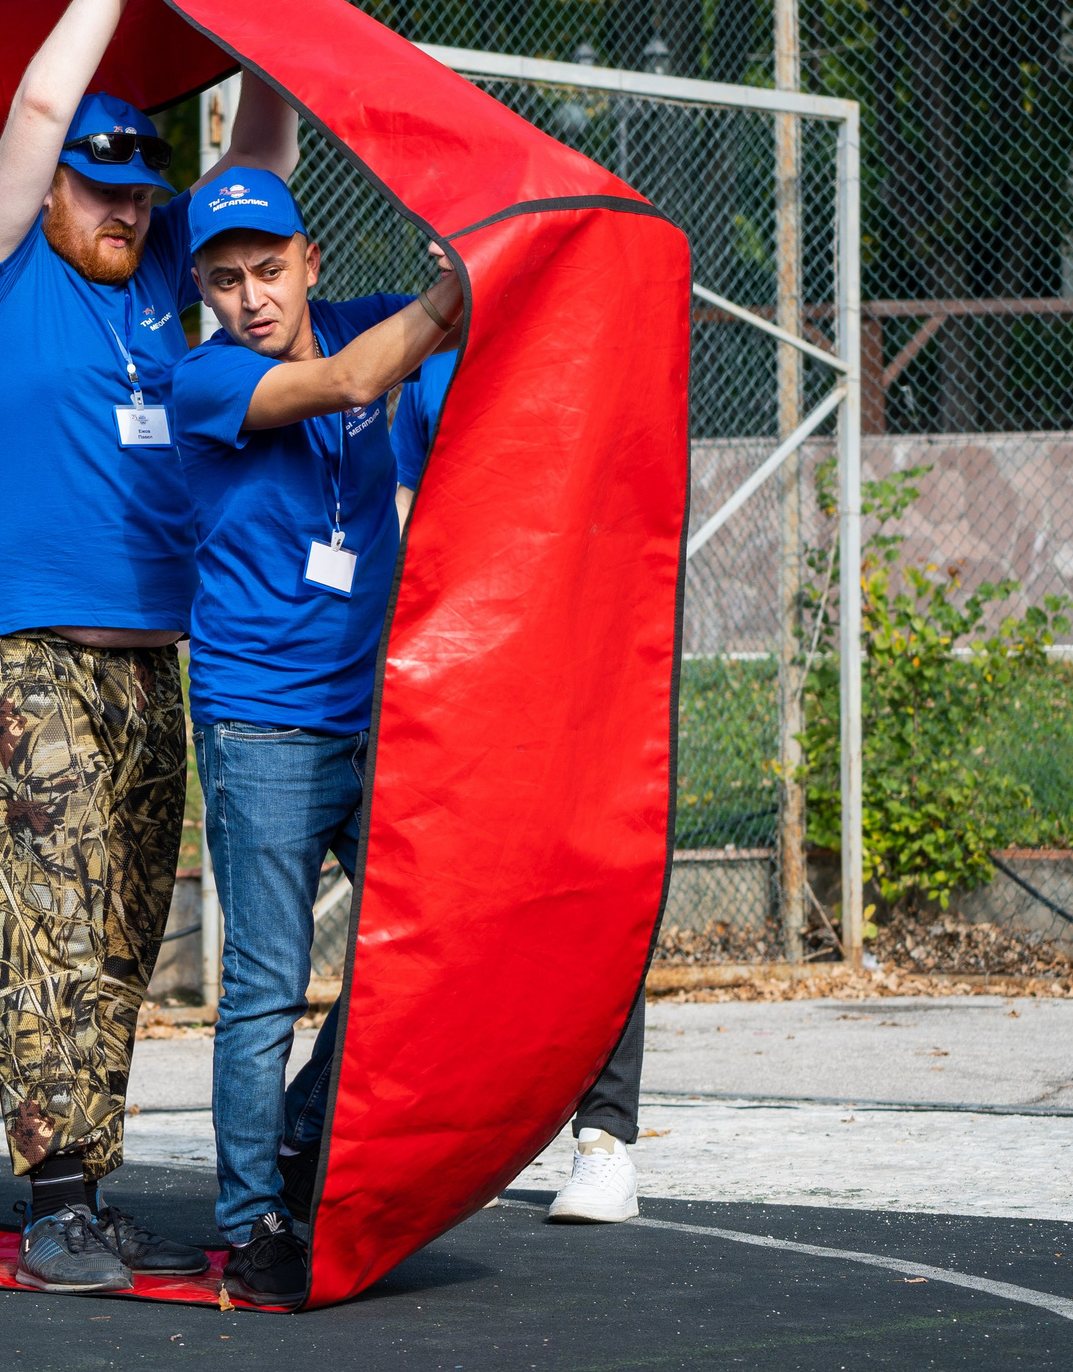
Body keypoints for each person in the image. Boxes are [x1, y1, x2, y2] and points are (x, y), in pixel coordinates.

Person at [0, 0, 293, 1294]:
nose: (129, 217)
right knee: (50, 919)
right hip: (29, 641)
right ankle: (55, 1195)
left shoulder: (160, 287)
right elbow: (36, 112)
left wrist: (268, 33)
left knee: (130, 928)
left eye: (143, 197)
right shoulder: (3, 266)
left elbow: (263, 152)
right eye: (105, 191)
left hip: (158, 648)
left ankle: (93, 1170)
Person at [169, 156, 464, 1306]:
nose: (250, 297)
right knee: (264, 985)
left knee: (416, 951)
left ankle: (300, 1133)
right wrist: (441, 304)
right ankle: (250, 1225)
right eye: (226, 278)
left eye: (269, 271)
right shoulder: (203, 378)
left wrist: (477, 265)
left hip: (373, 719)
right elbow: (353, 381)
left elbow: (465, 316)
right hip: (261, 724)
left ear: (309, 265)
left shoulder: (351, 321)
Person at [393, 352, 646, 1226]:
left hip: (580, 647)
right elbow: (405, 507)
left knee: (594, 888)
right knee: (468, 899)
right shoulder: (429, 365)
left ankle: (605, 1141)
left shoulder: (589, 337)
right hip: (468, 659)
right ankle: (477, 1133)